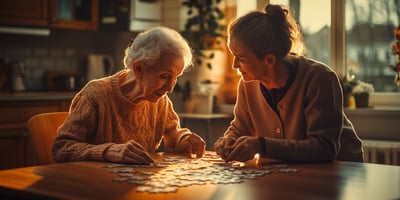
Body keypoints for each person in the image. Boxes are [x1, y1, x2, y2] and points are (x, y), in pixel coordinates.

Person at [214, 4, 364, 163]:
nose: (234, 65)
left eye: (241, 59)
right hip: (293, 172)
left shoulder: (320, 79)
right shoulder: (247, 83)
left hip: (343, 171)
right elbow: (240, 128)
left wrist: (263, 146)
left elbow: (324, 148)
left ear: (269, 60)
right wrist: (228, 140)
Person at [52, 26, 205, 164]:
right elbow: (62, 148)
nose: (170, 88)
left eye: (175, 77)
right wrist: (107, 151)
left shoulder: (160, 102)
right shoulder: (96, 95)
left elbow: (173, 134)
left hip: (136, 187)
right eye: (165, 76)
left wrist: (184, 139)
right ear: (139, 69)